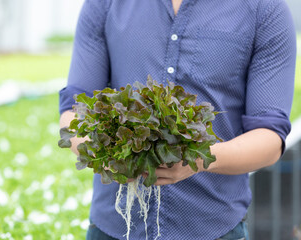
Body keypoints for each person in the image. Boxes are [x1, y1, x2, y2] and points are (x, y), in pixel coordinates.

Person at [59, 0, 297, 239]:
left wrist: (201, 158)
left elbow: (269, 138)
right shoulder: (105, 4)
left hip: (213, 229)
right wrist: (106, 156)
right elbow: (73, 112)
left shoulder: (265, 9)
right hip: (114, 228)